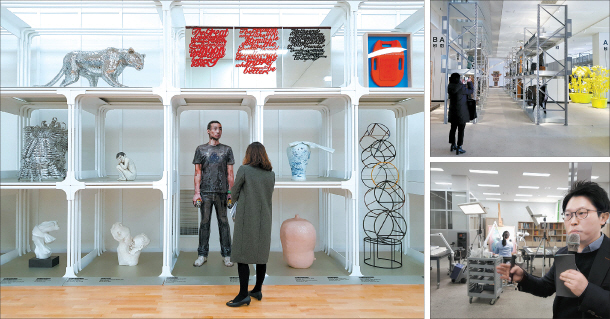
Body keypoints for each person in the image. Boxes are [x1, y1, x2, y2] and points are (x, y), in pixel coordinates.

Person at [496, 181, 610, 318]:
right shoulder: (564, 253)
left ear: (603, 217)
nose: (573, 221)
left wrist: (587, 290)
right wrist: (524, 278)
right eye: (568, 215)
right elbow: (545, 287)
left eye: (581, 213)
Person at [226, 142, 275, 307]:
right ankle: (257, 290)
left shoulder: (244, 170)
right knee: (261, 256)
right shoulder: (270, 174)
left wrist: (232, 200)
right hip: (265, 218)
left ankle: (242, 295)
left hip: (247, 217)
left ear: (249, 154)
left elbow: (234, 192)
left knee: (242, 256)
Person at [192, 121, 235, 268]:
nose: (218, 131)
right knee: (204, 224)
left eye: (220, 129)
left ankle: (227, 255)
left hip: (222, 193)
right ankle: (202, 255)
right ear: (208, 131)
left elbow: (230, 173)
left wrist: (231, 192)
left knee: (224, 224)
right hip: (205, 193)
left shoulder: (227, 150)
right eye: (215, 129)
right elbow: (197, 173)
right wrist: (197, 193)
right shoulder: (201, 149)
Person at [447, 72, 473, 155]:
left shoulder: (449, 86)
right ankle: (459, 147)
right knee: (461, 130)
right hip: (461, 112)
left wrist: (461, 83)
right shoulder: (461, 87)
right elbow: (471, 91)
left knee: (453, 128)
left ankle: (453, 145)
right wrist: (469, 82)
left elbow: (455, 87)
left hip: (452, 112)